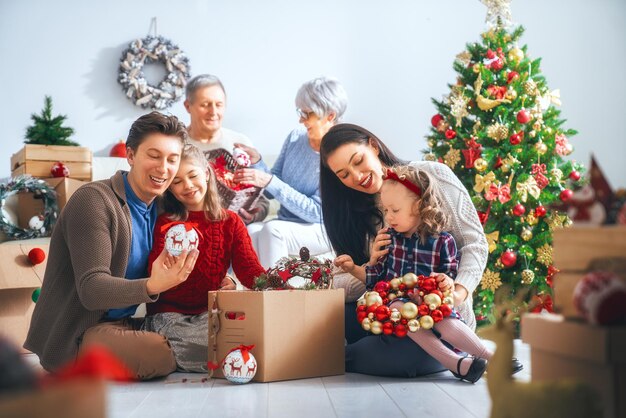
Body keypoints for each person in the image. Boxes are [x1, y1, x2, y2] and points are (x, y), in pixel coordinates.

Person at [24, 112, 198, 379]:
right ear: (130, 156)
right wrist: (154, 285)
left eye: (172, 159)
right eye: (154, 155)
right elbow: (92, 289)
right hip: (80, 332)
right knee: (158, 354)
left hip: (123, 323)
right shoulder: (93, 201)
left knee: (200, 333)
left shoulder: (161, 208)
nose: (164, 168)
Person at [319, 123, 490, 377]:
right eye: (344, 175)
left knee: (404, 356)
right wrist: (370, 265)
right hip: (389, 312)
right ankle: (348, 353)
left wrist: (456, 293)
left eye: (358, 161)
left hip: (440, 317)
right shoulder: (352, 214)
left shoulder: (432, 176)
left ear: (373, 147)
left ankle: (341, 356)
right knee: (330, 318)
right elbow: (360, 283)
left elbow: (474, 243)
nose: (356, 176)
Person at [143, 143, 265, 372]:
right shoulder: (166, 224)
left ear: (207, 174)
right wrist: (169, 263)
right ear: (170, 188)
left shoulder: (231, 222)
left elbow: (250, 272)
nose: (187, 186)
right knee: (214, 341)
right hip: (170, 316)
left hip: (210, 315)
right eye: (177, 182)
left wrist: (279, 285)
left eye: (192, 176)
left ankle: (230, 357)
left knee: (253, 331)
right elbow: (154, 275)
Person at [233, 76, 347, 268]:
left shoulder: (339, 153)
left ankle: (278, 295)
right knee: (251, 230)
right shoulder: (295, 138)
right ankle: (252, 294)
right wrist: (258, 162)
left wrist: (269, 180)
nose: (301, 119)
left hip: (323, 227)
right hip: (287, 223)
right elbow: (271, 188)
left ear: (330, 115)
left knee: (272, 230)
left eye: (307, 114)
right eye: (300, 112)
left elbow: (316, 212)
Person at [184, 73, 269, 224]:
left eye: (219, 104)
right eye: (205, 104)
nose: (213, 112)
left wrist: (255, 215)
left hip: (233, 229)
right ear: (188, 106)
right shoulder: (177, 144)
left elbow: (262, 200)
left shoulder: (240, 143)